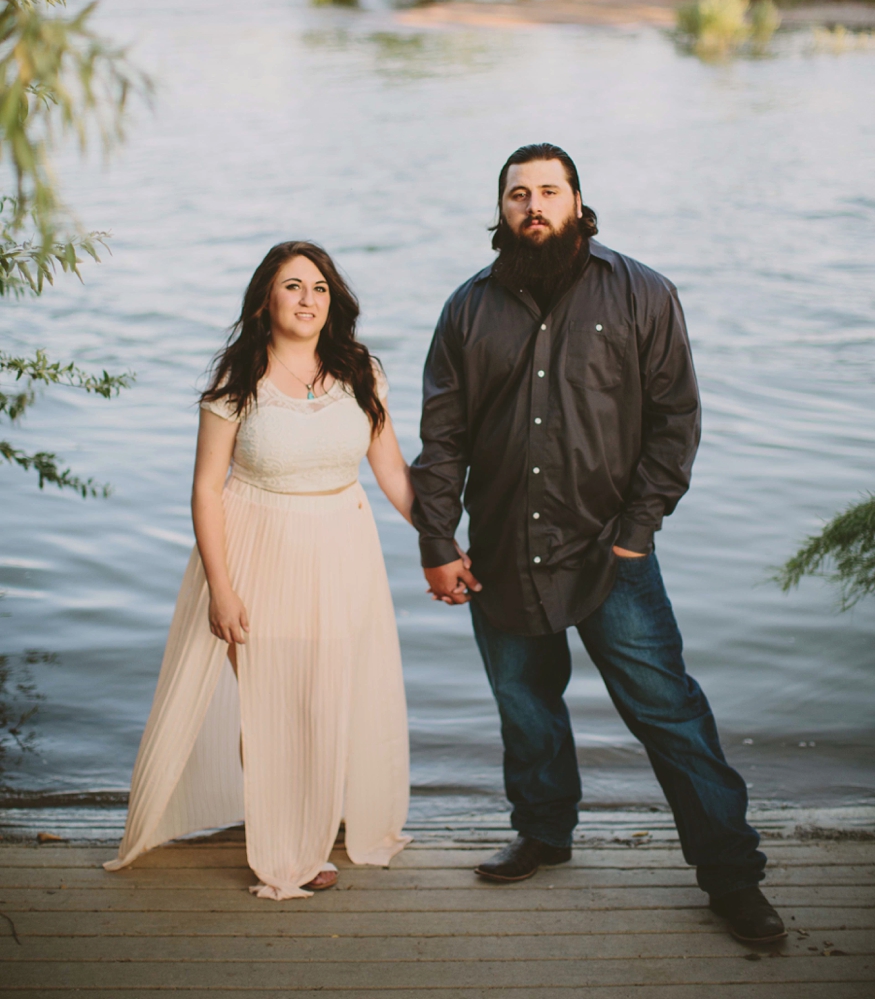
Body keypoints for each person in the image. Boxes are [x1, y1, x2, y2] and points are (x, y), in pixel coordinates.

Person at [409, 144, 786, 945]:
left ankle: (731, 875)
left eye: (548, 190)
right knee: (524, 705)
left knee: (669, 712)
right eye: (518, 194)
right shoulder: (466, 309)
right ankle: (544, 831)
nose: (532, 205)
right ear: (501, 210)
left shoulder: (643, 292)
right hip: (502, 549)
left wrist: (634, 537)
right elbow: (441, 440)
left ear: (579, 201)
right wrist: (436, 539)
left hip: (610, 553)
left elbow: (674, 424)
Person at [106, 241, 420, 899]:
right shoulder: (235, 383)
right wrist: (221, 587)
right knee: (275, 702)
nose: (308, 299)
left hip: (344, 549)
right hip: (256, 550)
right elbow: (205, 489)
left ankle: (312, 819)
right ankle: (284, 846)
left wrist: (440, 540)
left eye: (320, 288)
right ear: (263, 301)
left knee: (327, 695)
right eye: (292, 286)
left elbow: (390, 469)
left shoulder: (360, 371)